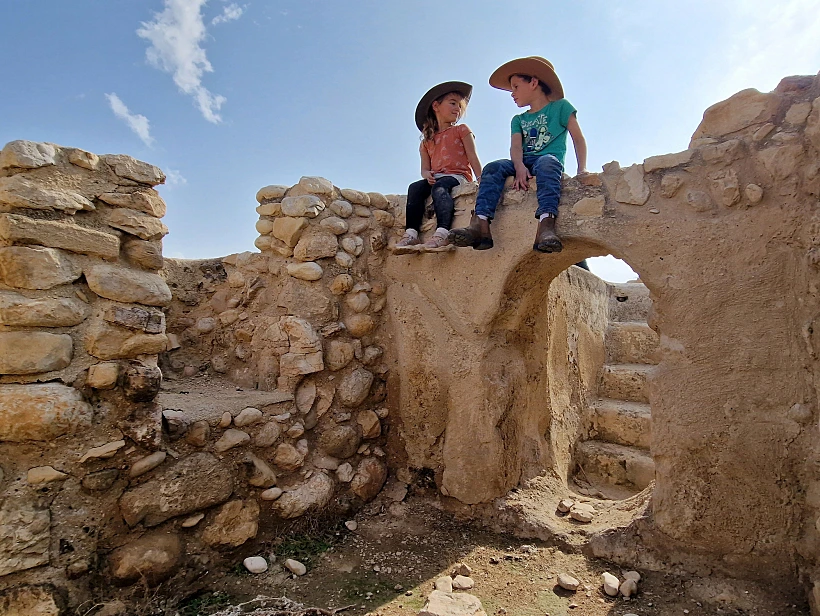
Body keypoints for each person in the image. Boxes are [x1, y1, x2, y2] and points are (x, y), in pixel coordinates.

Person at [449, 57, 587, 252]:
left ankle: (546, 225)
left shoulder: (561, 107)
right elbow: (515, 147)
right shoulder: (519, 119)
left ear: (533, 82)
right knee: (494, 167)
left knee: (548, 163)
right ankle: (480, 224)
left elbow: (578, 138)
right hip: (523, 160)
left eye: (515, 87)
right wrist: (519, 166)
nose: (512, 94)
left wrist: (582, 169)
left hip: (546, 160)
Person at [393, 81, 482, 254]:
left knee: (440, 188)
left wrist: (481, 179)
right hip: (437, 177)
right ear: (436, 106)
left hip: (457, 176)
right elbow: (424, 169)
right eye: (453, 103)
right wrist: (427, 174)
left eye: (459, 106)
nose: (457, 109)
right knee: (415, 188)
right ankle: (411, 233)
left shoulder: (462, 130)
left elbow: (472, 156)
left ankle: (442, 232)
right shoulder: (427, 141)